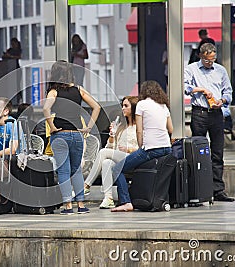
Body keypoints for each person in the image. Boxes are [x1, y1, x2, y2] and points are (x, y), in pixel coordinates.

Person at [43, 60, 100, 215]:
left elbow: (46, 108)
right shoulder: (79, 89)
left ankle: (68, 206)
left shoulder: (53, 92)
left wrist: (52, 126)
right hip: (77, 135)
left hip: (60, 135)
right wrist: (88, 127)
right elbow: (97, 107)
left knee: (63, 171)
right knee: (76, 171)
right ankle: (81, 204)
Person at [111, 80, 173, 212]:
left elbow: (139, 130)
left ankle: (126, 202)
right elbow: (171, 129)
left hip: (150, 149)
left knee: (117, 169)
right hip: (167, 148)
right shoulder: (163, 106)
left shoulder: (141, 105)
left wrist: (141, 147)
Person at [184, 42, 235, 202]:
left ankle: (218, 189)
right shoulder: (191, 68)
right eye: (207, 60)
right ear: (201, 56)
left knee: (217, 152)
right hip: (200, 112)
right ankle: (200, 189)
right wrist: (201, 89)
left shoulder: (220, 70)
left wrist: (223, 100)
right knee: (198, 152)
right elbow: (185, 87)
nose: (210, 63)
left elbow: (228, 90)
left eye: (212, 60)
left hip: (216, 113)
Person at [84, 96, 139, 209]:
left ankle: (87, 184)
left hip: (133, 158)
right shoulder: (121, 126)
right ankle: (108, 198)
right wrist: (112, 137)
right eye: (122, 105)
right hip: (119, 159)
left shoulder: (139, 127)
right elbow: (110, 148)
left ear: (133, 108)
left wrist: (128, 149)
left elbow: (143, 148)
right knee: (106, 162)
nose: (123, 108)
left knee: (104, 152)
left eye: (126, 106)